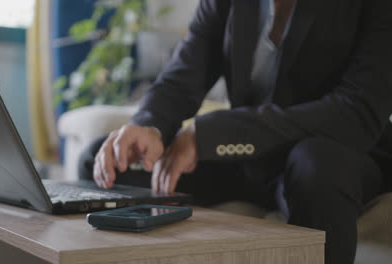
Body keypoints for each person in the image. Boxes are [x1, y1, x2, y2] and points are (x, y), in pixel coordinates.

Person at [78, 0, 392, 263]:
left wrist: (212, 135)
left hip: (335, 154)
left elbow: (357, 111)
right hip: (247, 161)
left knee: (317, 164)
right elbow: (185, 72)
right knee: (105, 162)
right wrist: (148, 126)